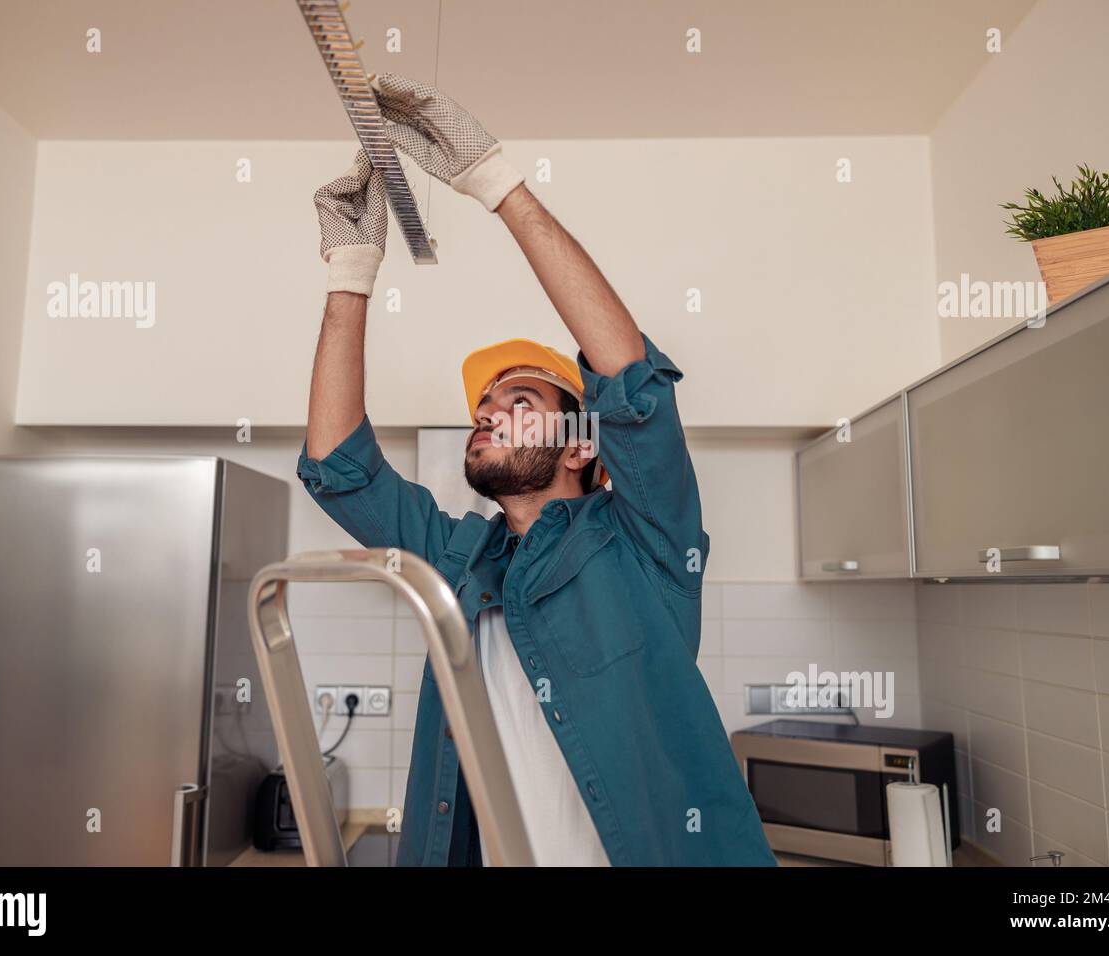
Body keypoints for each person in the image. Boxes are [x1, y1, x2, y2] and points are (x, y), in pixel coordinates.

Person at [298, 73, 776, 867]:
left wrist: (497, 185)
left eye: (516, 397)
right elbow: (338, 469)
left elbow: (633, 388)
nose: (485, 411)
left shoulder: (647, 544)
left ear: (584, 441)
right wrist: (350, 275)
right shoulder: (460, 559)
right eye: (482, 404)